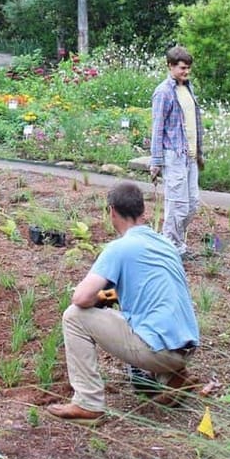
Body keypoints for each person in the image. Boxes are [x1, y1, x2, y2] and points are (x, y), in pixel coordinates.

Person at [47, 181, 201, 425]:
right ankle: (173, 379)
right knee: (143, 318)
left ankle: (88, 403)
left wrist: (98, 301)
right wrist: (107, 298)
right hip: (185, 347)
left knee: (74, 316)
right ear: (143, 211)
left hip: (157, 352)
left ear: (112, 212)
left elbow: (81, 298)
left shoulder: (119, 248)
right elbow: (139, 292)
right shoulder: (166, 245)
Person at [150, 45, 203, 257]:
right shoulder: (163, 92)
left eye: (188, 68)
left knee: (192, 204)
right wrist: (156, 161)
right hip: (173, 156)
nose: (186, 72)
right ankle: (171, 249)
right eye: (182, 68)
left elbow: (193, 124)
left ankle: (174, 244)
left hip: (190, 156)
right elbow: (157, 127)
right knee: (177, 205)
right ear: (170, 66)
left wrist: (199, 153)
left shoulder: (188, 89)